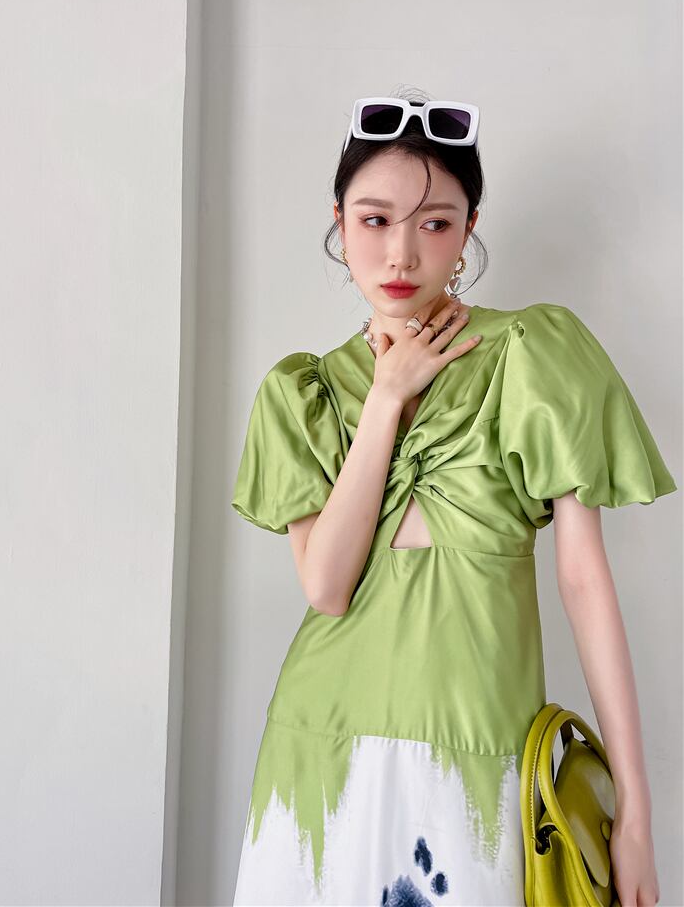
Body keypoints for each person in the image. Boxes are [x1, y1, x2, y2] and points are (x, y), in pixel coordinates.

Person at [229, 89, 675, 906]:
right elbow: (326, 587)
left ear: (469, 231)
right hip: (321, 750)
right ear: (339, 223)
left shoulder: (531, 355)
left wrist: (637, 813)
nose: (401, 253)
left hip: (480, 761)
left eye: (434, 223)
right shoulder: (304, 394)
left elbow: (584, 581)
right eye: (375, 220)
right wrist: (386, 396)